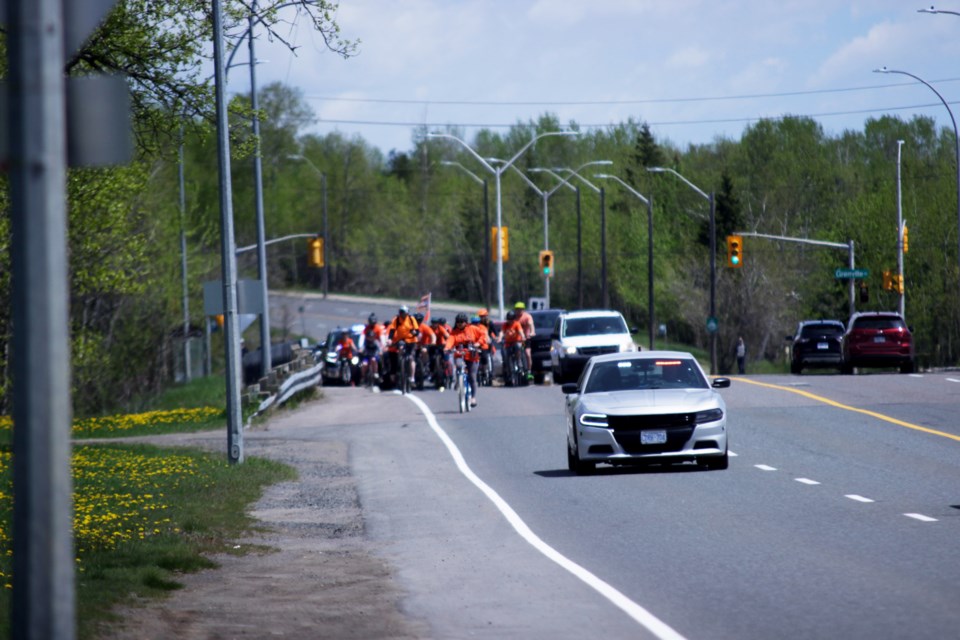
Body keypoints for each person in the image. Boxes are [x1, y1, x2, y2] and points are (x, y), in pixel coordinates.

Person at [444, 312, 487, 407]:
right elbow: (450, 340)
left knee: (472, 376)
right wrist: (447, 348)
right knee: (459, 366)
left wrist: (478, 344)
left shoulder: (473, 329)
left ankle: (473, 398)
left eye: (462, 322)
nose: (460, 324)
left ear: (466, 322)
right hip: (459, 354)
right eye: (458, 322)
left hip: (472, 355)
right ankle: (458, 381)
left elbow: (483, 335)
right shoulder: (454, 332)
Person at [386, 305, 420, 386]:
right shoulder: (396, 319)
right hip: (401, 339)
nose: (402, 314)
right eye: (401, 312)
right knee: (401, 348)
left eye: (404, 313)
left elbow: (417, 330)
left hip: (411, 340)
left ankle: (412, 378)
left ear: (407, 313)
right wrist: (390, 339)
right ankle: (402, 362)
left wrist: (414, 332)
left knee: (411, 358)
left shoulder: (411, 319)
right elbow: (392, 330)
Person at [361, 313, 385, 384]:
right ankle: (363, 376)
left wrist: (383, 347)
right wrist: (361, 348)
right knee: (364, 364)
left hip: (375, 351)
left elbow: (382, 338)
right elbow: (362, 338)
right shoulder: (366, 329)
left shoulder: (378, 329)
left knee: (375, 360)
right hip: (367, 351)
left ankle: (376, 373)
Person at [514, 301, 535, 380]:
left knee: (528, 354)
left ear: (523, 310)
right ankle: (518, 365)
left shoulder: (527, 317)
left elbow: (531, 325)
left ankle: (529, 371)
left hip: (526, 338)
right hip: (516, 339)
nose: (518, 311)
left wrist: (532, 332)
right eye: (517, 309)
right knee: (517, 351)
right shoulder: (514, 318)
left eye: (520, 309)